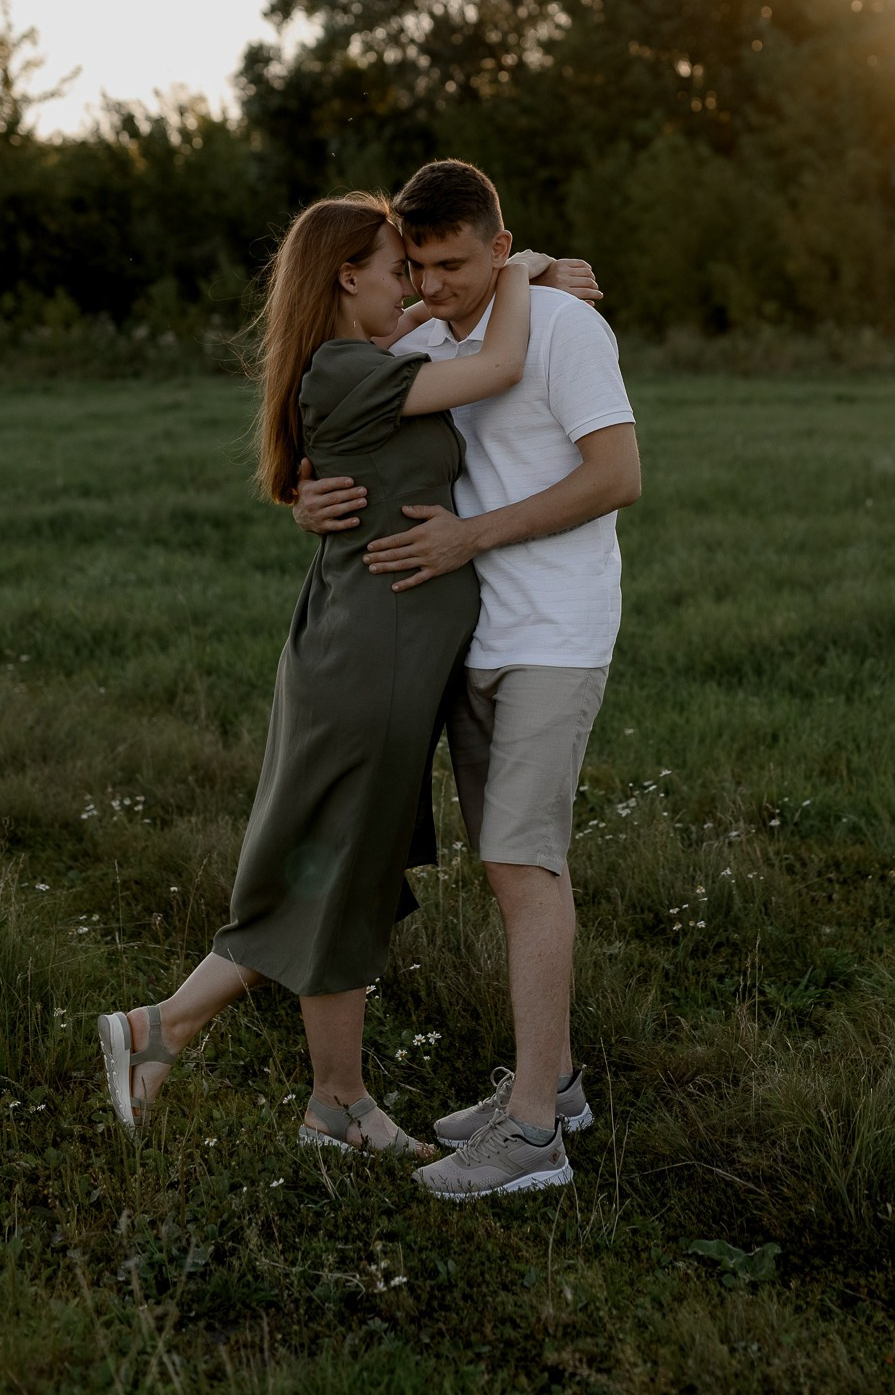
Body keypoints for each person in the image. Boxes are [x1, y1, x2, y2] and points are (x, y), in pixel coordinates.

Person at [98, 191, 554, 1156]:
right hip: (369, 661)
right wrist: (521, 270)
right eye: (399, 270)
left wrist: (529, 269)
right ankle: (173, 1032)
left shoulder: (363, 360)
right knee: (336, 871)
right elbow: (501, 361)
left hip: (379, 653)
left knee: (345, 872)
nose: (418, 287)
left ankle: (330, 1102)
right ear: (349, 277)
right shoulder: (347, 367)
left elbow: (439, 326)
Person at [294, 158, 640, 1198]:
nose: (431, 285)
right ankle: (557, 1082)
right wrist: (305, 501)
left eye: (451, 264)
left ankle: (533, 1136)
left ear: (499, 247)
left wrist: (469, 540)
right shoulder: (442, 334)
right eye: (417, 266)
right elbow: (332, 421)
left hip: (553, 635)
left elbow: (618, 475)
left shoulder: (565, 329)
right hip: (478, 641)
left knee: (519, 870)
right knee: (516, 863)